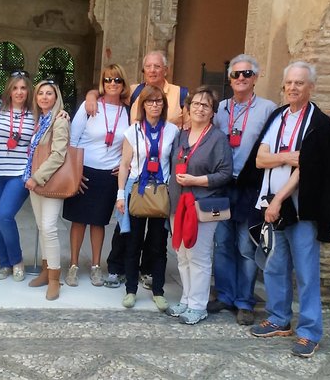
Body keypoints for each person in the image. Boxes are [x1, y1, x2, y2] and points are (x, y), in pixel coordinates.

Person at [247, 61, 330, 358]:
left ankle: (310, 332)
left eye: (299, 83)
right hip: (273, 206)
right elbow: (260, 160)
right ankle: (278, 318)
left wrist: (278, 200)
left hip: (302, 209)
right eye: (288, 82)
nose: (292, 87)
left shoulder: (319, 123)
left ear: (311, 87)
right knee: (275, 266)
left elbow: (309, 168)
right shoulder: (278, 116)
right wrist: (287, 157)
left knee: (305, 272)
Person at [86, 51, 189, 290]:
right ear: (143, 70)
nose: (152, 71)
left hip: (161, 175)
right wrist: (91, 95)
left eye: (157, 66)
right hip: (134, 170)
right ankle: (117, 267)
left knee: (156, 231)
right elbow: (107, 91)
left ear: (166, 69)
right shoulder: (133, 90)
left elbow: (191, 119)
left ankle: (147, 270)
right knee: (126, 226)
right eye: (148, 67)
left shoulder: (180, 94)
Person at [210, 54, 276, 325]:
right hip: (222, 185)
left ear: (255, 78)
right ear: (230, 79)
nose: (240, 78)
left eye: (246, 74)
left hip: (250, 187)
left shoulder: (268, 109)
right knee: (222, 242)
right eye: (235, 74)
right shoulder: (220, 109)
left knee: (246, 245)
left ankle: (244, 301)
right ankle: (225, 294)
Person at [167, 87, 232, 324]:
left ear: (212, 111)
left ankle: (198, 305)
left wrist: (197, 181)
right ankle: (186, 299)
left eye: (205, 105)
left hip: (202, 207)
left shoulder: (217, 138)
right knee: (182, 255)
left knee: (199, 256)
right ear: (188, 107)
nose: (199, 108)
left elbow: (225, 173)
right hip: (178, 204)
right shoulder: (180, 136)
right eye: (195, 103)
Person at [63, 64, 130, 287]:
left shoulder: (127, 111)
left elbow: (131, 143)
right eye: (108, 80)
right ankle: (73, 265)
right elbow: (73, 138)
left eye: (117, 80)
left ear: (123, 84)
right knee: (79, 220)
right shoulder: (90, 105)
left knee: (99, 222)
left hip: (109, 174)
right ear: (102, 82)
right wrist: (74, 171)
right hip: (85, 170)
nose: (113, 84)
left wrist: (125, 166)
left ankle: (95, 266)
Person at [115, 85, 180, 311]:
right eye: (150, 101)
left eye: (159, 101)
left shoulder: (172, 131)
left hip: (161, 191)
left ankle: (158, 291)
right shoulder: (132, 131)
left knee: (158, 245)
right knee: (133, 243)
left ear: (163, 105)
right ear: (142, 105)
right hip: (137, 189)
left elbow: (174, 162)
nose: (154, 105)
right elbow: (124, 164)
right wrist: (120, 194)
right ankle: (131, 290)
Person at [0, 72, 35, 282]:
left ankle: (17, 260)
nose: (19, 92)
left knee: (4, 215)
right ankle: (4, 263)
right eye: (15, 88)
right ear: (9, 90)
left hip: (19, 174)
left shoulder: (35, 113)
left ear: (28, 90)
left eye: (23, 88)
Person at [24, 80, 71, 301]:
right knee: (42, 227)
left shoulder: (59, 119)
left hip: (47, 180)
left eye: (49, 93)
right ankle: (45, 271)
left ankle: (54, 278)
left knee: (49, 227)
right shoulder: (40, 120)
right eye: (40, 93)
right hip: (34, 181)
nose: (44, 97)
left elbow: (59, 154)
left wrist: (37, 177)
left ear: (56, 96)